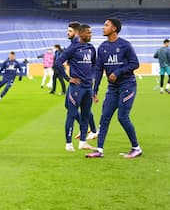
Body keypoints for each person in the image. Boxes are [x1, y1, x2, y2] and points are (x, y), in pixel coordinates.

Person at [87, 18, 142, 159]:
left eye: (106, 25)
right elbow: (98, 70)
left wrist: (118, 72)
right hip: (113, 88)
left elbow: (135, 64)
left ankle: (136, 148)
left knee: (122, 117)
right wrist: (95, 90)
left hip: (127, 85)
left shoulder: (125, 45)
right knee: (104, 117)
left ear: (114, 28)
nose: (103, 27)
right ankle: (99, 150)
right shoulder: (103, 47)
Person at [53, 24, 96, 152]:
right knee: (71, 114)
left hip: (88, 87)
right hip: (76, 87)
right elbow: (57, 63)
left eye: (91, 33)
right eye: (88, 33)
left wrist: (92, 77)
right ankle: (68, 143)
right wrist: (68, 79)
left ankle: (83, 142)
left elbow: (94, 64)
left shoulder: (91, 48)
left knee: (85, 115)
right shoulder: (72, 48)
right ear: (81, 34)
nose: (90, 35)